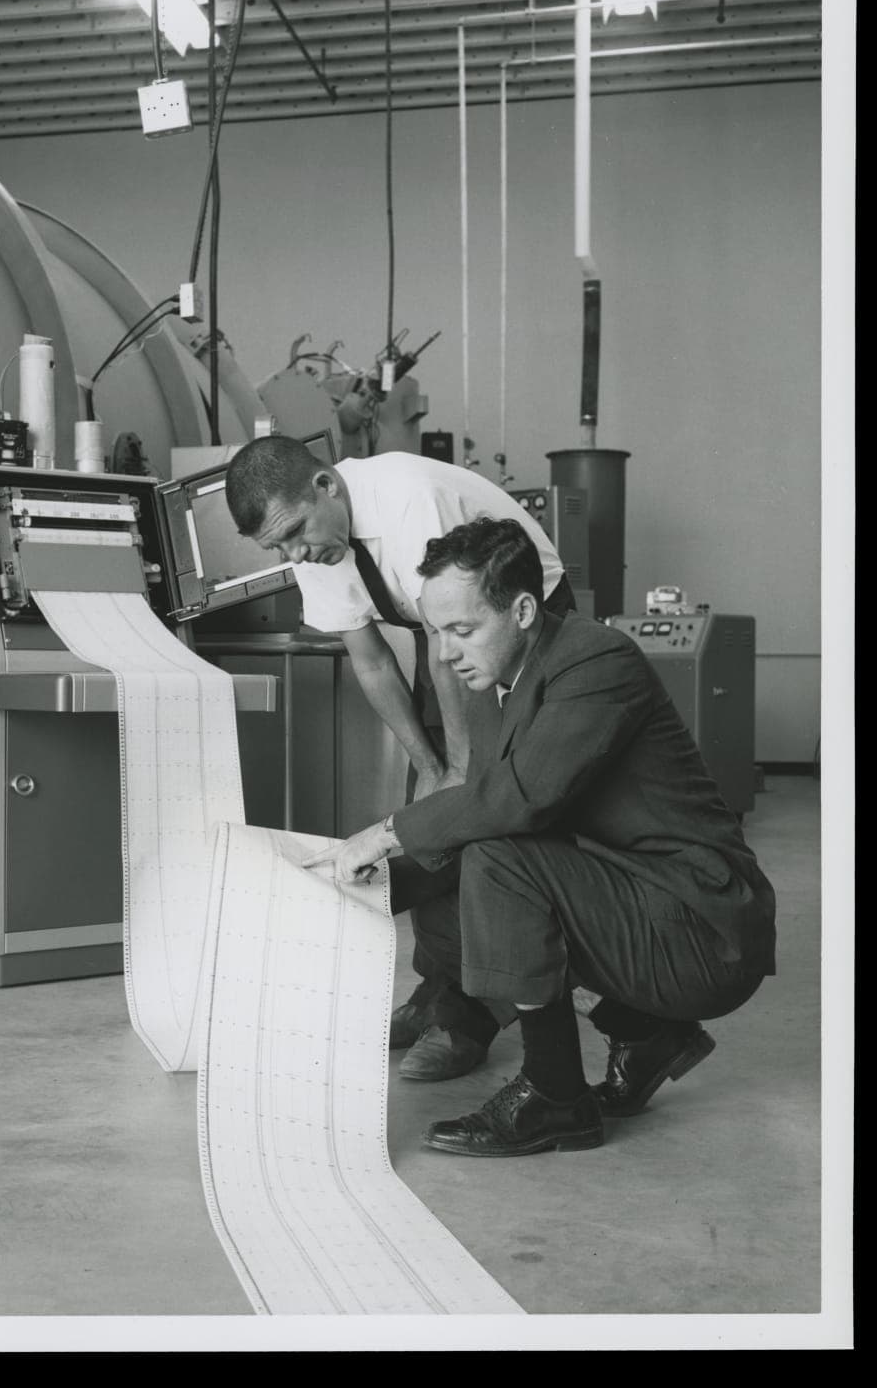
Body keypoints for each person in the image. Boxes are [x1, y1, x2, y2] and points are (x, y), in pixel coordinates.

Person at [304, 517, 776, 1158]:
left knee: (500, 858)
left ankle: (556, 1099)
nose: (444, 654)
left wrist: (384, 835)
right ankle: (644, 1033)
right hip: (632, 898)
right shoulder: (496, 686)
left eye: (462, 630)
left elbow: (516, 802)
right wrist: (348, 888)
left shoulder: (596, 660)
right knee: (457, 898)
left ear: (524, 609)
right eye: (436, 632)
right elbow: (478, 820)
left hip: (701, 926)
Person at [225, 436, 577, 1083]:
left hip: (518, 629)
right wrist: (431, 766)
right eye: (278, 546)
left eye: (297, 532)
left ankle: (470, 1015)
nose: (295, 553)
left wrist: (460, 779)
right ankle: (438, 988)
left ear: (327, 485)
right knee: (434, 810)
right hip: (445, 644)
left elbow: (455, 632)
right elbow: (374, 661)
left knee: (484, 816)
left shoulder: (408, 500)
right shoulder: (312, 542)